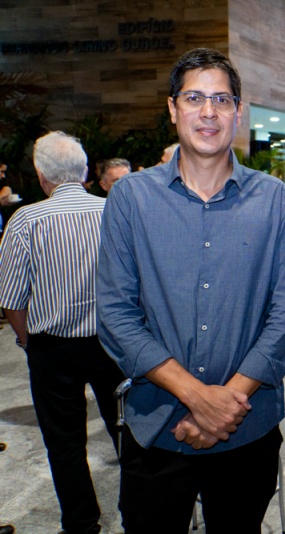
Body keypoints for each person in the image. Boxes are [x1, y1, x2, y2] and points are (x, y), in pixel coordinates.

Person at [96, 48, 285, 532]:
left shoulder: (273, 199)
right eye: (195, 98)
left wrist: (225, 403)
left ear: (237, 112)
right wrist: (197, 397)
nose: (208, 112)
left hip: (247, 427)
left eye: (222, 99)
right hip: (157, 428)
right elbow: (115, 313)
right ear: (173, 109)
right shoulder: (131, 198)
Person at [0, 131, 125, 534]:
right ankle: (143, 515)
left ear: (40, 175)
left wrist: (26, 340)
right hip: (112, 341)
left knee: (65, 442)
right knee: (127, 432)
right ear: (87, 171)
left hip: (52, 349)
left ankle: (82, 523)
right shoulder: (113, 213)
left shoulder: (26, 220)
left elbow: (12, 299)